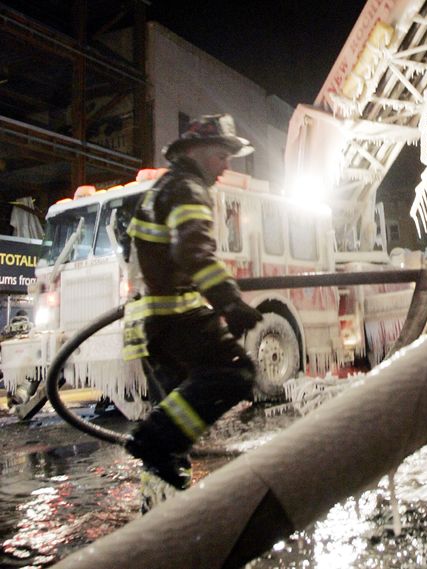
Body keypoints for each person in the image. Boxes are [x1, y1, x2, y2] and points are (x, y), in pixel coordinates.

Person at [122, 114, 263, 489]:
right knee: (237, 373)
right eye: (221, 156)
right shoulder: (188, 189)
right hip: (178, 318)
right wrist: (229, 303)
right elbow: (194, 253)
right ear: (196, 151)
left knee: (176, 421)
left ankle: (167, 519)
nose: (225, 168)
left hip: (149, 325)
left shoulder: (161, 189)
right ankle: (153, 445)